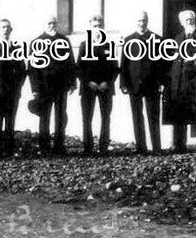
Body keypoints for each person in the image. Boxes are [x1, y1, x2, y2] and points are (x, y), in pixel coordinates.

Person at [27, 16, 75, 155]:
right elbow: (32, 68)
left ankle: (59, 146)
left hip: (61, 85)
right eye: (49, 23)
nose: (51, 25)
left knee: (61, 116)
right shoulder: (37, 42)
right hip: (44, 87)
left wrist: (72, 82)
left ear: (57, 24)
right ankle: (44, 147)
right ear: (44, 25)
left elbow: (70, 62)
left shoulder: (64, 40)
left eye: (54, 23)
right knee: (44, 116)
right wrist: (35, 88)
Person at [119, 10, 164, 153]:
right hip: (134, 84)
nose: (142, 23)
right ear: (135, 22)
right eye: (139, 20)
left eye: (144, 20)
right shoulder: (128, 39)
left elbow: (162, 64)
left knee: (153, 117)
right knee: (137, 117)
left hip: (152, 84)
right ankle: (141, 148)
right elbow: (124, 64)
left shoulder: (157, 39)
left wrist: (162, 82)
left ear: (147, 21)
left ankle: (156, 147)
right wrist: (123, 83)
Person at [168, 8, 196, 151]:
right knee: (180, 110)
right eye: (186, 20)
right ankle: (179, 144)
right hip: (182, 79)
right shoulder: (178, 38)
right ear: (182, 23)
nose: (189, 21)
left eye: (191, 19)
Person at [77, 14, 118, 155]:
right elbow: (79, 68)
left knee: (105, 118)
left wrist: (107, 82)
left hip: (105, 87)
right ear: (90, 27)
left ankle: (103, 147)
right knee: (86, 118)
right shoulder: (84, 46)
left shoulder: (110, 45)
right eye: (95, 26)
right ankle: (87, 147)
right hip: (88, 87)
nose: (98, 28)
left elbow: (115, 68)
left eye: (100, 25)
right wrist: (89, 82)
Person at [0, 18, 26, 157]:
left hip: (12, 93)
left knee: (10, 122)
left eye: (8, 27)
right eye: (3, 27)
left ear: (11, 29)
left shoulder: (16, 48)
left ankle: (9, 150)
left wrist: (18, 88)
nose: (5, 30)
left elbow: (22, 70)